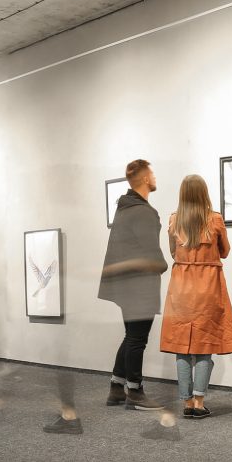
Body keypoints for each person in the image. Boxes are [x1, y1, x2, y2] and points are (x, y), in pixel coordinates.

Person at [159, 175, 232, 418]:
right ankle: (198, 403)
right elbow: (224, 252)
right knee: (205, 347)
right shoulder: (215, 219)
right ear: (204, 193)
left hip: (181, 288)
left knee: (182, 348)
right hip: (208, 287)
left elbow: (173, 253)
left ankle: (185, 403)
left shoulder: (174, 220)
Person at [98, 159, 168, 411]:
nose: (155, 177)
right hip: (140, 284)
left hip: (126, 285)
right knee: (138, 339)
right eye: (152, 173)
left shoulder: (125, 208)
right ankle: (135, 391)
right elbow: (151, 252)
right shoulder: (144, 212)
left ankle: (116, 387)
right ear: (145, 179)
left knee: (131, 336)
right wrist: (164, 265)